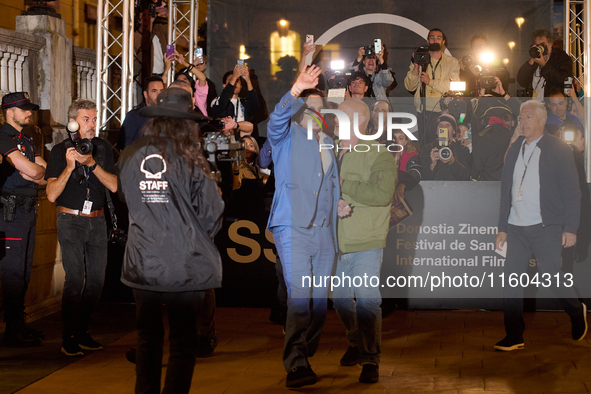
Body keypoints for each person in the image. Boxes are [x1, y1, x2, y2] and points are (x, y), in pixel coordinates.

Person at [119, 87, 224, 393]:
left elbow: (126, 198)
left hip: (142, 260)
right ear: (186, 123)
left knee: (147, 338)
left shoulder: (129, 153)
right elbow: (211, 213)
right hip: (182, 262)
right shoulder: (191, 157)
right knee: (182, 341)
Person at [266, 65, 350, 388]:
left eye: (320, 108)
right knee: (300, 298)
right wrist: (295, 90)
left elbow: (331, 183)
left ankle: (303, 349)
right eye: (310, 108)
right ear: (301, 112)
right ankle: (296, 363)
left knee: (318, 305)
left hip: (324, 232)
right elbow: (274, 121)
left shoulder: (328, 142)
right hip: (294, 229)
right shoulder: (285, 136)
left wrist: (339, 202)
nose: (316, 113)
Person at [494, 99, 586, 351]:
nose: (522, 122)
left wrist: (570, 228)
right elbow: (506, 190)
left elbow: (572, 192)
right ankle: (514, 335)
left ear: (542, 120)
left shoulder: (558, 148)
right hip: (516, 228)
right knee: (511, 282)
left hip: (547, 228)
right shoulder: (514, 149)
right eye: (521, 118)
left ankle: (576, 310)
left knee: (552, 278)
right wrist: (502, 227)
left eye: (527, 118)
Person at [45, 100, 118, 356]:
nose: (92, 124)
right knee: (75, 279)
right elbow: (52, 195)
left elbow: (114, 186)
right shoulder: (59, 150)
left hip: (97, 220)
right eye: (86, 119)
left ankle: (82, 330)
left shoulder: (103, 148)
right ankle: (68, 337)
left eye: (94, 119)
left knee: (97, 281)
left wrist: (92, 164)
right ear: (73, 122)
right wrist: (69, 167)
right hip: (71, 220)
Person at [332, 98, 397, 384]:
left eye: (340, 115)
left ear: (359, 120)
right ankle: (357, 342)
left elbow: (383, 195)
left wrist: (346, 186)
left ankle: (370, 358)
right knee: (342, 301)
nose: (334, 120)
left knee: (368, 302)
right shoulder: (330, 151)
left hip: (366, 242)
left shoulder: (378, 153)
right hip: (335, 244)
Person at [0, 92, 47, 347]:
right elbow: (32, 170)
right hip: (11, 212)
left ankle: (19, 325)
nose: (29, 112)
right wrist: (31, 169)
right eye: (24, 108)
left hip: (28, 210)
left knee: (25, 272)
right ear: (10, 112)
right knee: (13, 273)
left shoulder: (25, 138)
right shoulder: (3, 136)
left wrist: (32, 170)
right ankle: (12, 329)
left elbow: (43, 173)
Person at [404, 28, 460, 146]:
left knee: (443, 145)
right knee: (425, 147)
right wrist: (415, 69)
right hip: (423, 111)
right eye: (432, 38)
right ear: (428, 40)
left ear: (443, 42)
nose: (435, 40)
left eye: (438, 38)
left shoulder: (452, 62)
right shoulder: (420, 59)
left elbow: (453, 85)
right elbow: (409, 87)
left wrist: (431, 82)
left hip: (444, 112)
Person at [516, 29, 573, 98]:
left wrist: (544, 65)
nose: (540, 48)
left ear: (550, 44)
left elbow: (563, 80)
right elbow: (521, 81)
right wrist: (531, 60)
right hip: (534, 104)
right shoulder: (535, 60)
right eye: (537, 45)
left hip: (551, 105)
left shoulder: (561, 58)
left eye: (542, 45)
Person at [210, 65, 260, 138]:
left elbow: (255, 107)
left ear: (241, 86)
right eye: (231, 80)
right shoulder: (217, 101)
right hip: (223, 139)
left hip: (242, 138)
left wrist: (248, 80)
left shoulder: (244, 102)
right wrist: (234, 77)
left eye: (237, 81)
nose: (235, 83)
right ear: (224, 86)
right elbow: (222, 103)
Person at [418, 114, 472, 180]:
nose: (443, 128)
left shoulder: (462, 149)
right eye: (440, 126)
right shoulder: (427, 149)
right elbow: (423, 177)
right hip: (434, 188)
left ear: (454, 130)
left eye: (447, 125)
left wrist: (452, 161)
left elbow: (465, 176)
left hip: (455, 188)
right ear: (436, 131)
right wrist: (432, 165)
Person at [121, 76, 164, 148]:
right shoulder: (134, 116)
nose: (159, 95)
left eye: (161, 91)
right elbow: (124, 144)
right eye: (154, 91)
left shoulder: (167, 115)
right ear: (145, 94)